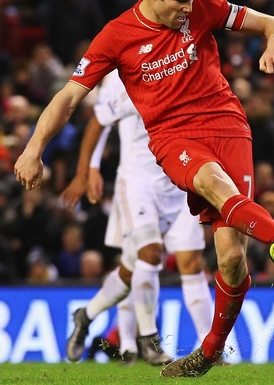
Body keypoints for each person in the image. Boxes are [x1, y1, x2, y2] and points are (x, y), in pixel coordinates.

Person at [13, 0, 274, 378]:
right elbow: (68, 97)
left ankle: (210, 352)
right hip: (173, 137)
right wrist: (33, 149)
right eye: (180, 1)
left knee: (232, 258)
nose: (188, 8)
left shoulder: (202, 8)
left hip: (228, 124)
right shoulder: (116, 36)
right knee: (213, 184)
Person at [59, 70, 213, 366]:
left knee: (159, 267)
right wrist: (87, 170)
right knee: (149, 255)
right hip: (137, 184)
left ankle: (87, 314)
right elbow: (99, 122)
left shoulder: (185, 66)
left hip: (179, 184)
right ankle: (147, 341)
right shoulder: (122, 76)